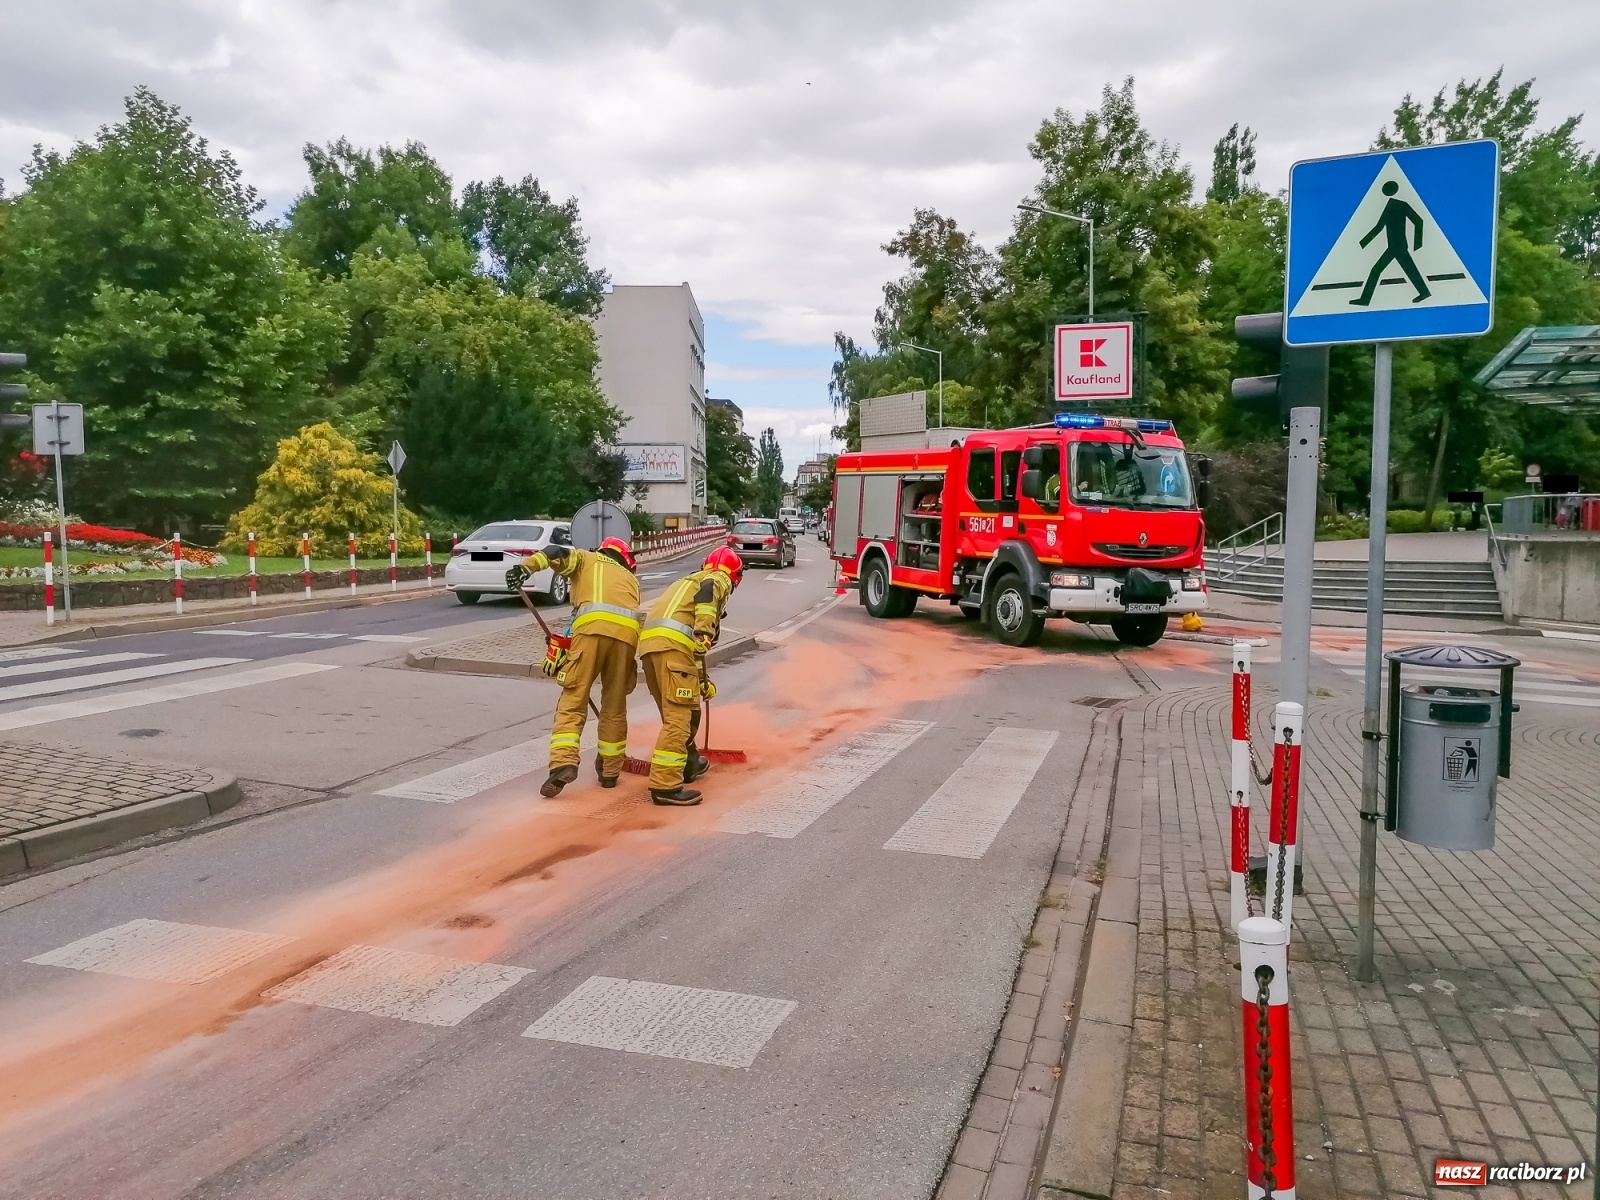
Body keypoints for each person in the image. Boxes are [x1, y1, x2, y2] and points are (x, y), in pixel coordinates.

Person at [506, 536, 640, 796]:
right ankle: (610, 771)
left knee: (574, 698)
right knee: (614, 706)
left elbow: (554, 551)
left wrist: (525, 568)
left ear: (603, 550)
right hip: (627, 641)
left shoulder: (587, 559)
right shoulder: (631, 580)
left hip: (590, 633)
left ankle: (563, 762)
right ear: (625, 560)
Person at [635, 546, 743, 806]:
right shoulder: (718, 578)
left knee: (683, 710)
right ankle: (665, 785)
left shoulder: (684, 582)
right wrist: (705, 631)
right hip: (672, 650)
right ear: (735, 575)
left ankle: (689, 762)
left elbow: (689, 644)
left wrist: (700, 681)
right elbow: (707, 597)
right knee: (679, 719)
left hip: (653, 650)